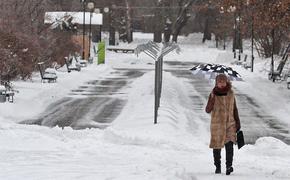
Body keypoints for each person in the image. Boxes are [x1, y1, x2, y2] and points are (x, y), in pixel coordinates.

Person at [205, 74, 241, 175]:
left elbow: (235, 109)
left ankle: (229, 166)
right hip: (217, 124)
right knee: (217, 146)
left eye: (223, 82)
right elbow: (207, 110)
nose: (221, 84)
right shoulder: (213, 94)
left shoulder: (231, 93)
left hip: (230, 123)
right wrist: (212, 99)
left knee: (229, 145)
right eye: (219, 82)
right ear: (216, 83)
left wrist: (238, 122)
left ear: (226, 82)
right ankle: (218, 166)